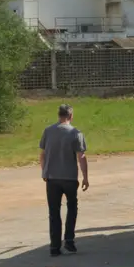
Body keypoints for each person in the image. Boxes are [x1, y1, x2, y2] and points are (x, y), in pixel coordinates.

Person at [38, 103, 88, 254]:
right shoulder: (75, 133)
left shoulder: (48, 131)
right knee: (72, 208)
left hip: (52, 178)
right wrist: (85, 177)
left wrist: (45, 171)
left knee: (54, 212)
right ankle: (69, 240)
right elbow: (81, 157)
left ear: (59, 115)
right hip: (69, 178)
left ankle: (54, 246)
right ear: (71, 116)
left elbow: (42, 154)